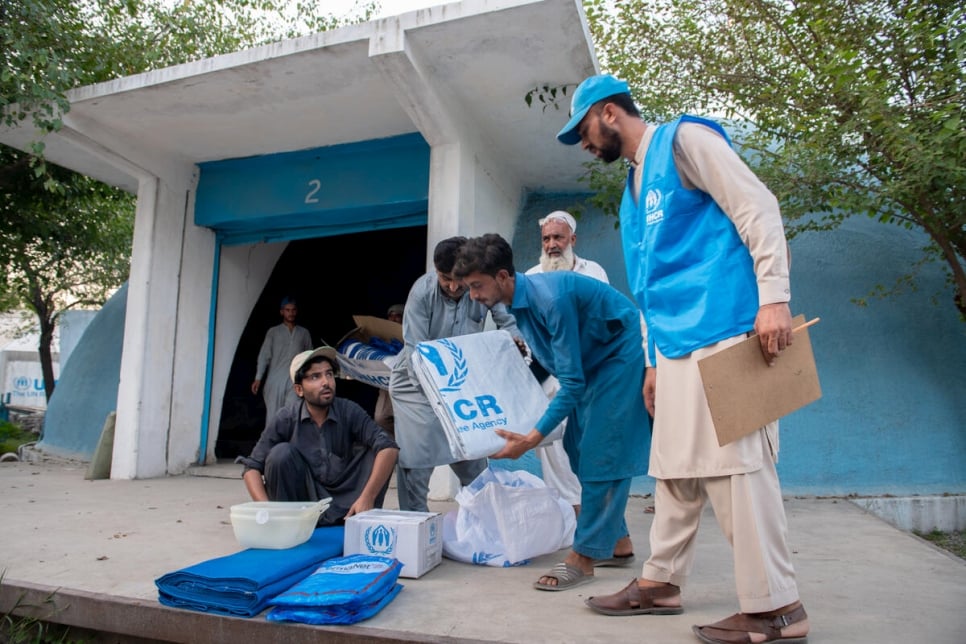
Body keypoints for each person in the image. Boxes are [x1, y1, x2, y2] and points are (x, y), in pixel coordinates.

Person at [556, 73, 808, 643]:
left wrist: (775, 298)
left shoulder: (684, 142)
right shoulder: (633, 186)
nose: (585, 143)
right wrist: (650, 362)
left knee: (739, 467)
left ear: (610, 112)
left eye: (584, 130)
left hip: (727, 326)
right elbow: (647, 284)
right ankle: (660, 583)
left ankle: (778, 610)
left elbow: (757, 207)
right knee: (672, 469)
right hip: (674, 346)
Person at [452, 233, 650, 592]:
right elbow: (555, 365)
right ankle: (618, 543)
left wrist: (531, 439)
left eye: (477, 286)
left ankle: (585, 556)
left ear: (502, 277)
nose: (473, 295)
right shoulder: (517, 304)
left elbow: (571, 384)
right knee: (576, 449)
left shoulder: (551, 299)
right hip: (593, 364)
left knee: (601, 455)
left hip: (619, 357)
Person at [388, 236, 520, 513]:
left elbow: (508, 323)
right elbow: (416, 350)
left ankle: (484, 523)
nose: (451, 286)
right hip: (417, 386)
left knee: (473, 454)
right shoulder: (422, 293)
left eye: (456, 279)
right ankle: (416, 527)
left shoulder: (480, 288)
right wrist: (439, 397)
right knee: (418, 456)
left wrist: (519, 352)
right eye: (443, 278)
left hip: (462, 383)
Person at [237, 347, 399, 526]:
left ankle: (360, 514)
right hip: (302, 506)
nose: (326, 382)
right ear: (299, 390)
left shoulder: (348, 410)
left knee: (379, 451)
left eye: (329, 374)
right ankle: (287, 522)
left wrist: (368, 497)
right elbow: (251, 468)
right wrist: (266, 509)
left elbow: (389, 448)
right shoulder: (286, 417)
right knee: (279, 454)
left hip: (344, 502)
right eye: (315, 377)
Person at [524, 210, 609, 517]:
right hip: (548, 376)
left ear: (572, 239)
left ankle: (597, 510)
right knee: (552, 448)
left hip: (589, 374)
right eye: (546, 238)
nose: (551, 244)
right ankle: (570, 511)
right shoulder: (532, 278)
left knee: (590, 444)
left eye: (558, 237)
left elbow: (602, 318)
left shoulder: (593, 272)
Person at [251, 296, 312, 423]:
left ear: (297, 311)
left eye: (293, 310)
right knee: (273, 419)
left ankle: (290, 443)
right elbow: (264, 356)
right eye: (287, 310)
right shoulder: (273, 332)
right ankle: (272, 443)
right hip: (274, 382)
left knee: (292, 416)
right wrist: (258, 378)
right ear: (282, 312)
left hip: (294, 381)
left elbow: (309, 358)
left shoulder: (304, 333)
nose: (291, 313)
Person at [373, 304, 405, 436]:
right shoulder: (381, 337)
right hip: (386, 384)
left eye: (397, 316)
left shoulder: (412, 333)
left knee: (406, 420)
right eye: (390, 316)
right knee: (380, 418)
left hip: (406, 384)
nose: (393, 319)